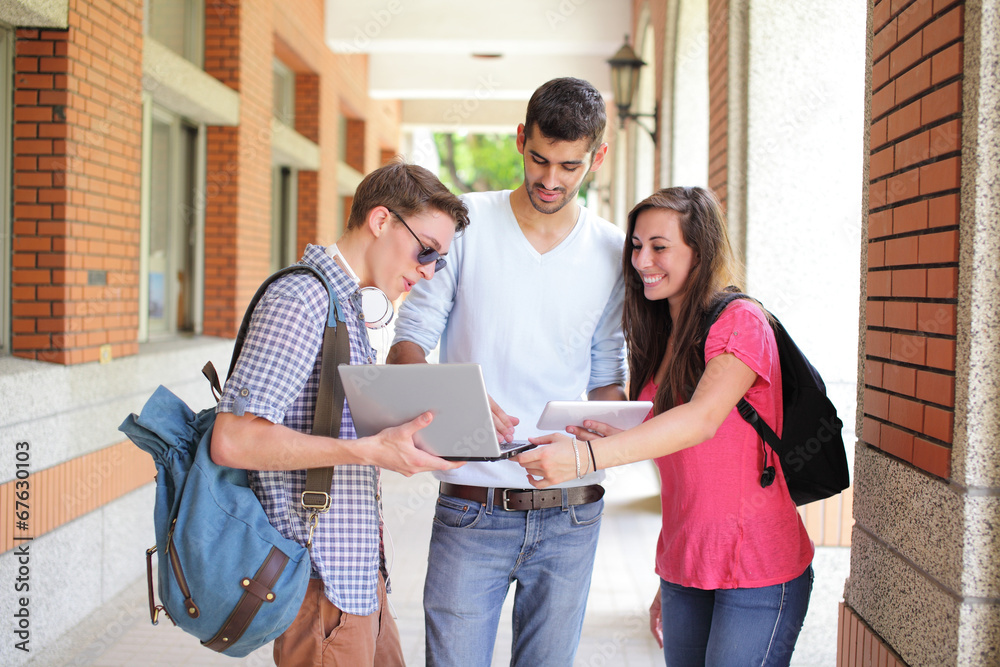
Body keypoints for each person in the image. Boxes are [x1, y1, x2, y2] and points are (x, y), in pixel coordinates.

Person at [516, 186, 815, 666]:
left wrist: (583, 459)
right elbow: (680, 451)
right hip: (685, 565)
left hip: (758, 563)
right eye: (636, 245)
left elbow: (700, 420)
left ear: (700, 252)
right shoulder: (661, 335)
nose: (641, 260)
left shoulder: (741, 321)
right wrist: (603, 437)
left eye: (660, 246)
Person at [386, 77, 627, 666]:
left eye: (570, 166)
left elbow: (606, 375)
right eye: (540, 159)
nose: (550, 180)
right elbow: (407, 345)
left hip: (572, 510)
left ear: (597, 157)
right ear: (521, 139)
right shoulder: (467, 228)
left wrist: (605, 425)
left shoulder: (612, 251)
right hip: (474, 504)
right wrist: (452, 398)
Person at [210, 160, 470, 667]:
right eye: (426, 251)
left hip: (355, 579)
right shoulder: (300, 299)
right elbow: (233, 440)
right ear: (381, 221)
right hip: (319, 582)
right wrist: (367, 450)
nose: (429, 270)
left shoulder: (343, 303)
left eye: (440, 260)